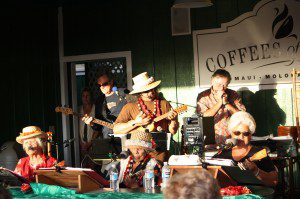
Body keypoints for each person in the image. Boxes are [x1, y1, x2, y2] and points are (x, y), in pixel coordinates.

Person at [113, 72, 179, 163]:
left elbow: (173, 131)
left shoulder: (164, 104)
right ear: (140, 93)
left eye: (153, 89)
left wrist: (173, 120)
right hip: (137, 155)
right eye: (147, 91)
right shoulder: (129, 107)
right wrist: (136, 122)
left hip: (159, 154)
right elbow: (116, 129)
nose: (151, 92)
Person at [213, 111, 278, 187]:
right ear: (231, 133)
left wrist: (256, 171)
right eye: (237, 133)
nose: (241, 137)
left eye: (246, 134)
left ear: (251, 135)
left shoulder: (259, 153)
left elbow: (274, 181)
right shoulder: (223, 152)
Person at [196, 69, 246, 145]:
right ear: (212, 81)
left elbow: (242, 116)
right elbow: (204, 117)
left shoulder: (233, 95)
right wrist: (220, 102)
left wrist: (226, 103)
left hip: (231, 139)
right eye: (218, 85)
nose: (221, 88)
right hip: (211, 140)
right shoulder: (203, 96)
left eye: (224, 85)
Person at [83, 72, 127, 138]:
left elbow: (134, 109)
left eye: (104, 84)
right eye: (99, 85)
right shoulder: (99, 101)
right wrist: (91, 123)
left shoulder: (123, 93)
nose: (102, 87)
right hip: (108, 138)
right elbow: (98, 127)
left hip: (125, 134)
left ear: (111, 82)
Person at [78, 88, 99, 158]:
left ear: (91, 97)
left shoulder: (95, 109)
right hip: (82, 144)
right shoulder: (79, 110)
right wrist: (81, 143)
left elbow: (98, 128)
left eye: (87, 96)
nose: (85, 98)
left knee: (92, 165)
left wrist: (90, 143)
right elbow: (77, 128)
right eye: (83, 96)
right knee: (83, 165)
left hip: (93, 143)